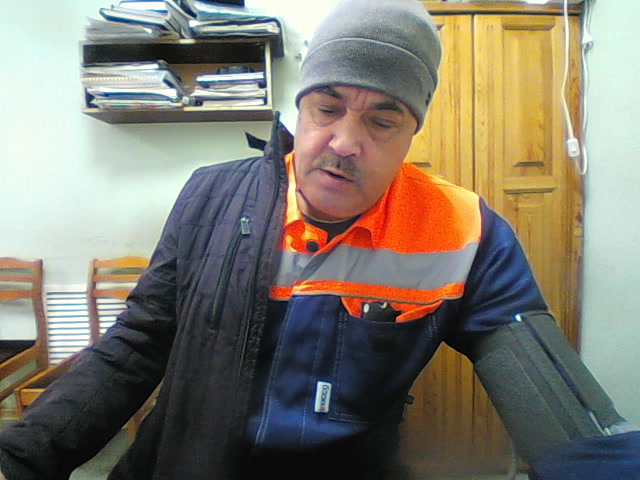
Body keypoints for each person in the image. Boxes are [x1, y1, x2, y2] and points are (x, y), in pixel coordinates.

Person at [1, 0, 639, 479]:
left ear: (412, 134)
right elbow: (135, 346)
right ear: (298, 110)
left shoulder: (466, 231)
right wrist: (20, 457)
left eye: (382, 120)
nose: (345, 142)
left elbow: (548, 389)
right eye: (327, 109)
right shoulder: (210, 196)